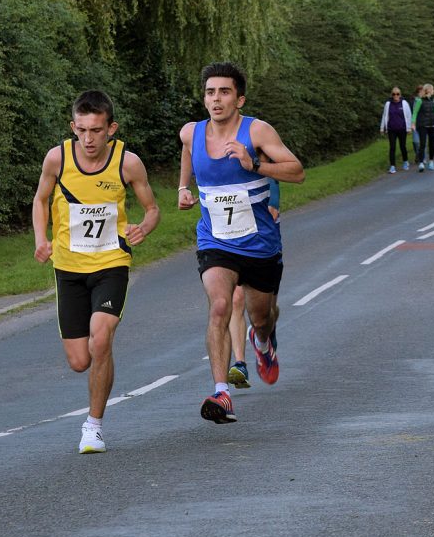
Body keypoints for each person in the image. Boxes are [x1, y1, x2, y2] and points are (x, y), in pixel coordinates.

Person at [33, 90, 160, 454]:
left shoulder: (128, 163)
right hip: (68, 267)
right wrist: (41, 238)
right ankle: (100, 363)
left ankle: (94, 426)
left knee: (100, 337)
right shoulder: (57, 158)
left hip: (111, 263)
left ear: (111, 129)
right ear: (73, 126)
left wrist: (143, 228)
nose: (88, 139)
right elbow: (41, 200)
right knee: (80, 361)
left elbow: (152, 209)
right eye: (82, 130)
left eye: (96, 131)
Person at [178, 62, 304, 424]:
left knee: (261, 316)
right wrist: (184, 187)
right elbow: (187, 151)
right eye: (210, 92)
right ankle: (222, 392)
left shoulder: (258, 131)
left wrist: (255, 165)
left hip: (260, 244)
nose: (216, 99)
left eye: (224, 92)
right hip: (215, 240)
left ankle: (262, 341)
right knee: (219, 305)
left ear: (239, 99)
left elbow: (297, 171)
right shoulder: (191, 132)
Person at [227, 178, 281, 388]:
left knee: (266, 313)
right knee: (236, 298)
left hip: (264, 234)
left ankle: (262, 338)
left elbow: (277, 170)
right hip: (231, 235)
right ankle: (240, 363)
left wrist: (274, 201)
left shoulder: (257, 147)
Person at [379, 87, 413, 173]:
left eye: (397, 94)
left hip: (402, 129)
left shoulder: (404, 103)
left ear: (400, 95)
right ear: (391, 95)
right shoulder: (388, 104)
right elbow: (384, 115)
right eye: (394, 94)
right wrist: (382, 128)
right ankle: (392, 166)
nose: (396, 96)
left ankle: (405, 162)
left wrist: (409, 128)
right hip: (391, 129)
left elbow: (409, 116)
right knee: (392, 147)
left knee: (402, 146)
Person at [411, 83, 434, 172]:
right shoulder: (419, 101)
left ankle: (431, 161)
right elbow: (415, 112)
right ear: (428, 90)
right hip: (423, 125)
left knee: (432, 143)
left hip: (432, 124)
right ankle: (421, 162)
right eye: (433, 89)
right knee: (423, 144)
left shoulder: (433, 100)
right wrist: (413, 123)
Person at [411, 84, 423, 163]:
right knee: (416, 142)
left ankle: (420, 157)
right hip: (415, 123)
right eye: (420, 91)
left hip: (423, 123)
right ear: (417, 92)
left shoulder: (425, 100)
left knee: (422, 141)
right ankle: (417, 154)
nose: (421, 93)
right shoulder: (413, 101)